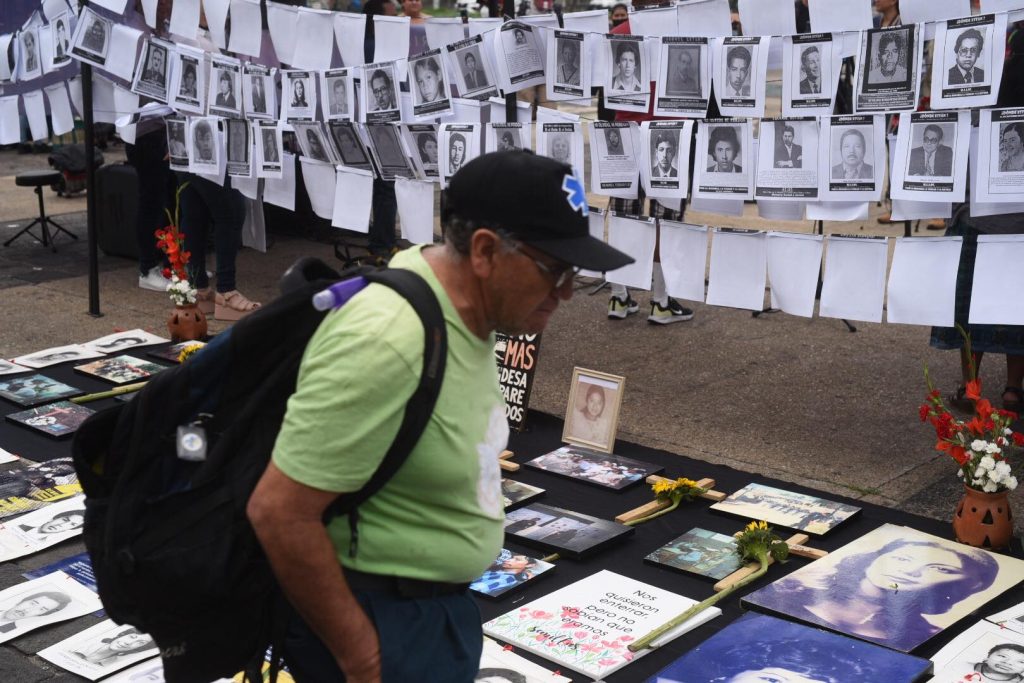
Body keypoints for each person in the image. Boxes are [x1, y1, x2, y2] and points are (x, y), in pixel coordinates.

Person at [246, 151, 634, 683]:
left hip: (425, 612)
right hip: (381, 622)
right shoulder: (389, 338)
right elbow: (278, 513)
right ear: (484, 251)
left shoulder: (463, 307)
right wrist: (364, 657)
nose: (567, 292)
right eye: (555, 270)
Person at [605, 0, 696, 326]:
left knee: (623, 217)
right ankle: (660, 300)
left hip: (626, 133)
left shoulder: (617, 32)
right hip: (669, 131)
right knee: (666, 221)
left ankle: (619, 294)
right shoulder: (681, 30)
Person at [753, 538, 999, 651]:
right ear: (873, 559)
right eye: (902, 558)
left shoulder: (929, 637)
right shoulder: (787, 594)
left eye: (940, 569)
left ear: (964, 587)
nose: (910, 570)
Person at [177, 161, 261, 320]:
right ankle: (226, 292)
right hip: (211, 147)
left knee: (195, 215)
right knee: (230, 214)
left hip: (185, 146)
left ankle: (199, 289)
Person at [72, 627, 154, 666]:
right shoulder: (84, 643)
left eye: (140, 643)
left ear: (139, 648)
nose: (129, 643)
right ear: (122, 635)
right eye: (132, 637)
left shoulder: (114, 665)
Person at [943, 643, 1024, 681]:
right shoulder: (962, 666)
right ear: (987, 657)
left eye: (1021, 662)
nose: (1008, 662)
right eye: (1003, 656)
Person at [0, 592, 71, 633]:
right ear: (23, 600)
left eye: (41, 609)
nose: (27, 610)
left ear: (41, 615)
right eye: (33, 603)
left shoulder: (9, 631)